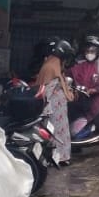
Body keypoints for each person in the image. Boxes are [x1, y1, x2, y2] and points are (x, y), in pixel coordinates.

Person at [33, 38, 76, 167]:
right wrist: (47, 109)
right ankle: (56, 158)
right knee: (55, 134)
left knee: (59, 133)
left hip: (58, 110)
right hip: (53, 110)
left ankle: (61, 157)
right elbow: (46, 91)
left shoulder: (54, 65)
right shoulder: (52, 67)